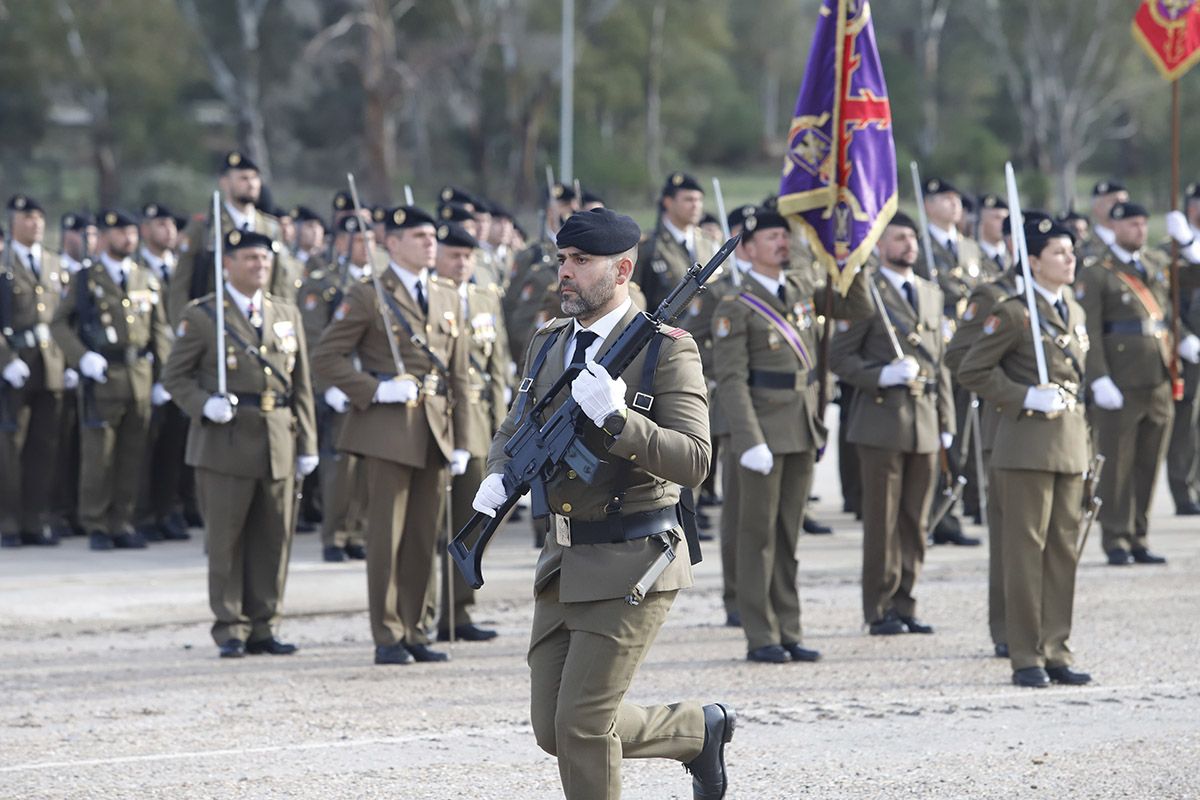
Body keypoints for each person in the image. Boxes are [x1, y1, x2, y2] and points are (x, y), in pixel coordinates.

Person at [472, 207, 734, 799]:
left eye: (580, 262)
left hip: (634, 557)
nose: (565, 273)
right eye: (562, 260)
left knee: (584, 725)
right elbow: (515, 428)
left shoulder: (667, 350)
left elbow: (694, 459)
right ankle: (698, 729)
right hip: (563, 559)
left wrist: (618, 420)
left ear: (621, 270)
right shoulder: (549, 343)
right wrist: (498, 474)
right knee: (553, 729)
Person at [311, 205, 472, 666]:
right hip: (387, 429)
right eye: (419, 236)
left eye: (431, 236)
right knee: (387, 537)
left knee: (425, 536)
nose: (429, 244)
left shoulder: (446, 294)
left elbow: (458, 372)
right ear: (392, 242)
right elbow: (327, 357)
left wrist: (461, 438)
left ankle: (417, 627)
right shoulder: (368, 295)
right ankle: (388, 633)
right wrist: (375, 389)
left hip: (435, 428)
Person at [713, 208, 871, 662]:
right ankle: (761, 634)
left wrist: (850, 263)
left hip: (801, 426)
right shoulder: (735, 305)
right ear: (747, 249)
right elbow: (732, 381)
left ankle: (789, 627)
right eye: (771, 237)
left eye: (784, 235)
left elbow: (854, 308)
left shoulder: (800, 288)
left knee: (788, 537)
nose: (782, 243)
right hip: (763, 431)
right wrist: (750, 440)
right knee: (757, 538)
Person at [162, 230, 318, 658]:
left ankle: (266, 623)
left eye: (264, 258)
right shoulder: (204, 316)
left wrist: (308, 442)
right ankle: (231, 625)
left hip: (278, 437)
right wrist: (203, 404)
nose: (259, 265)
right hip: (225, 441)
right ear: (227, 264)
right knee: (227, 538)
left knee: (274, 539)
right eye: (249, 258)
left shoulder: (285, 312)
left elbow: (301, 383)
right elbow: (174, 376)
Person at [958, 217, 1093, 688]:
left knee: (1062, 553)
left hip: (1070, 445)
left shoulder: (1071, 309)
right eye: (1059, 252)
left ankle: (1057, 648)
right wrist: (1022, 395)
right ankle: (1025, 655)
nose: (1069, 259)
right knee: (1024, 554)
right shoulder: (1014, 312)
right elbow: (972, 369)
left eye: (1071, 251)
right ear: (1033, 261)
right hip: (1025, 448)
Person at [830, 213, 954, 636]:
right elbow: (840, 357)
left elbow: (942, 365)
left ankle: (906, 602)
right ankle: (879, 607)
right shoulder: (866, 291)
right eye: (900, 237)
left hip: (924, 419)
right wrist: (880, 374)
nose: (909, 245)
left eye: (913, 238)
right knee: (882, 522)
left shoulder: (931, 293)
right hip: (882, 422)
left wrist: (947, 419)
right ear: (880, 245)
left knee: (915, 523)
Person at [52, 209, 172, 551]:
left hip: (139, 375)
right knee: (99, 456)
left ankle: (123, 520)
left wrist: (163, 376)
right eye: (120, 232)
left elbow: (159, 330)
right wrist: (81, 357)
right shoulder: (87, 278)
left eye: (132, 232)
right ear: (105, 237)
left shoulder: (145, 277)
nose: (128, 238)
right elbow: (60, 323)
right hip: (103, 375)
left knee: (133, 455)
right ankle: (97, 523)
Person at [1075, 201, 1173, 566]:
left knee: (1148, 464)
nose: (1140, 231)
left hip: (1157, 378)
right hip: (1120, 381)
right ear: (1114, 226)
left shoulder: (1155, 265)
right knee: (1116, 465)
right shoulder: (1098, 272)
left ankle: (1139, 535)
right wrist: (1098, 377)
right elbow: (1091, 332)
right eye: (1133, 224)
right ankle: (1115, 536)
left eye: (1144, 224)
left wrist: (1189, 245)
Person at [431, 220, 509, 642]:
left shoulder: (484, 299)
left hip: (478, 421)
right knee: (431, 524)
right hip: (437, 417)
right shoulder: (427, 299)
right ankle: (428, 610)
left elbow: (498, 369)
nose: (461, 264)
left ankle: (458, 612)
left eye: (467, 257)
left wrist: (503, 428)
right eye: (453, 255)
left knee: (470, 520)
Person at [1, 194, 68, 548]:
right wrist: (5, 359)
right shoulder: (3, 261)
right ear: (13, 221)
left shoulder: (54, 263)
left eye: (40, 217)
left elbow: (64, 319)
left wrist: (69, 361)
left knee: (44, 446)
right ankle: (8, 521)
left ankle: (35, 519)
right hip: (14, 362)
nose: (36, 223)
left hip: (50, 363)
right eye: (28, 217)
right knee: (10, 447)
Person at [134, 203, 192, 542]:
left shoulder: (181, 268)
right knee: (145, 446)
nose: (168, 230)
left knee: (175, 444)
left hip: (181, 367)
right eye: (160, 224)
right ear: (145, 230)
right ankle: (144, 513)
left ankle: (170, 509)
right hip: (148, 369)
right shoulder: (138, 268)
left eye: (171, 224)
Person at [171, 151, 282, 325]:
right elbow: (181, 286)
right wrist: (185, 326)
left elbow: (279, 283)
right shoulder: (205, 228)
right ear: (224, 182)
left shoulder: (270, 227)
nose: (252, 184)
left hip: (261, 322)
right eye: (243, 178)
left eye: (255, 178)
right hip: (216, 322)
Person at [635, 172, 715, 310]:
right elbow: (636, 294)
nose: (696, 205)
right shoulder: (648, 246)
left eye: (699, 200)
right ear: (668, 202)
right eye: (688, 200)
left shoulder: (707, 243)